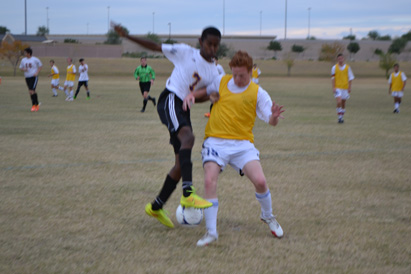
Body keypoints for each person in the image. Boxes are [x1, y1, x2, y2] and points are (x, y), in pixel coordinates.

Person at [114, 23, 221, 228]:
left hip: (182, 107)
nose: (213, 49)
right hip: (170, 99)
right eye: (209, 44)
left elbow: (202, 96)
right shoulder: (184, 52)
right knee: (188, 138)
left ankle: (155, 207)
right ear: (201, 42)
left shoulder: (216, 71)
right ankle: (188, 193)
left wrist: (208, 98)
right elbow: (154, 46)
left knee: (181, 164)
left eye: (216, 45)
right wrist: (128, 36)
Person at [193, 51, 285, 246]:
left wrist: (275, 116)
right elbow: (203, 91)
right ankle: (211, 232)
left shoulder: (258, 92)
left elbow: (270, 120)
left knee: (260, 181)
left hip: (242, 145)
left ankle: (268, 216)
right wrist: (194, 96)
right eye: (234, 74)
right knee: (210, 181)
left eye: (241, 75)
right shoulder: (221, 81)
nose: (237, 78)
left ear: (251, 72)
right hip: (215, 142)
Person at [331, 53, 354, 123]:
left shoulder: (347, 67)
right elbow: (333, 78)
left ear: (343, 59)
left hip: (345, 87)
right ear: (337, 59)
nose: (340, 60)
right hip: (338, 87)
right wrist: (333, 87)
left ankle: (341, 117)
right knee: (339, 101)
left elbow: (350, 78)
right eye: (339, 58)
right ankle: (339, 117)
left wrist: (349, 87)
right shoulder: (334, 68)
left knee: (343, 103)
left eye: (341, 58)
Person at [19, 47, 42, 112]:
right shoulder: (23, 60)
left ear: (29, 53)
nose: (25, 53)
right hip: (27, 77)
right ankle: (35, 105)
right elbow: (21, 68)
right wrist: (24, 69)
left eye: (25, 52)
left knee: (32, 91)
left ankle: (35, 105)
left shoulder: (35, 59)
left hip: (33, 77)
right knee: (31, 92)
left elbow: (40, 66)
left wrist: (37, 73)